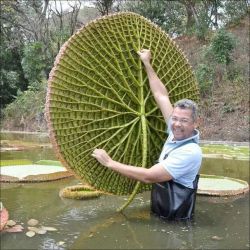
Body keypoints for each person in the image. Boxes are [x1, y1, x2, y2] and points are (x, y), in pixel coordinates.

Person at [92, 49, 202, 220]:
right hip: (161, 211)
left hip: (177, 221)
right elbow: (161, 95)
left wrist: (109, 162)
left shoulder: (190, 152)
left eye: (184, 121)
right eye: (175, 118)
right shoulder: (174, 130)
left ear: (195, 123)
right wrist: (147, 63)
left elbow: (149, 176)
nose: (177, 124)